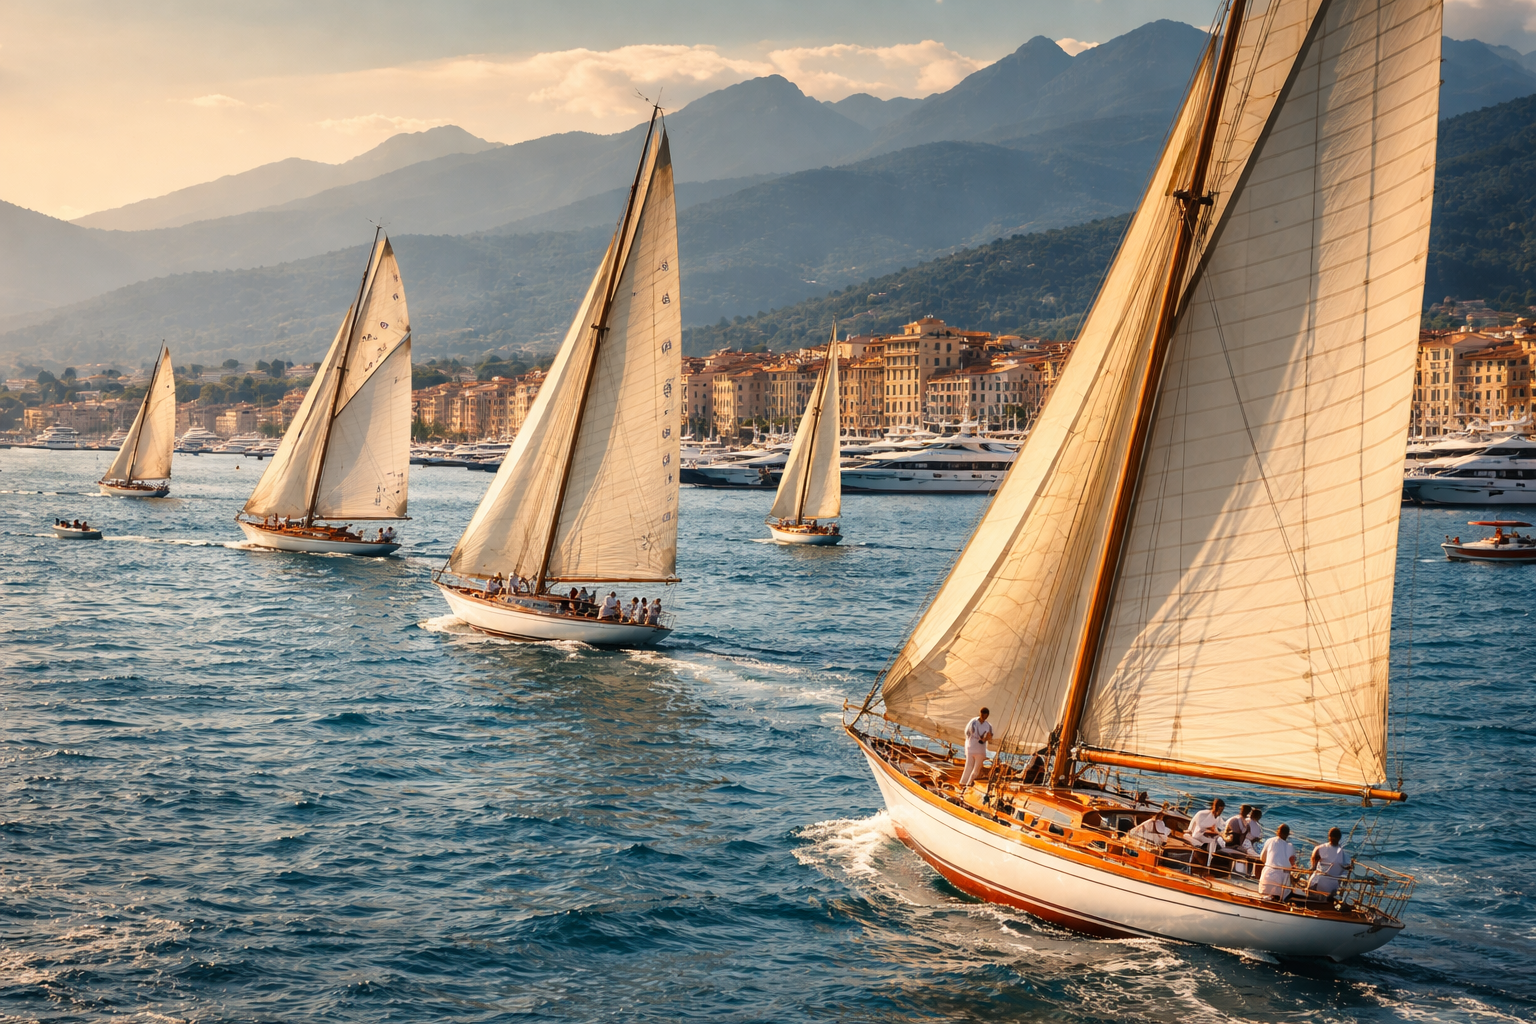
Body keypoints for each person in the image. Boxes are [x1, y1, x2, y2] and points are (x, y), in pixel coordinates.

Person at [1307, 827, 1353, 901]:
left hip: (1318, 883)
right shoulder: (1345, 855)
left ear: (1329, 837)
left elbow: (1313, 867)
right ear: (1339, 838)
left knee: (1312, 879)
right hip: (1333, 888)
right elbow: (1346, 873)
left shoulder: (1319, 848)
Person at [1259, 824, 1297, 900]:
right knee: (1288, 892)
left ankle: (1270, 896)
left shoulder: (1269, 841)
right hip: (1281, 882)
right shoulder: (1290, 846)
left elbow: (1262, 858)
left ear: (1277, 832)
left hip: (1266, 879)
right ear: (1287, 835)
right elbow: (1292, 864)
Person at [959, 707, 993, 789]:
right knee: (969, 766)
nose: (984, 717)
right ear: (980, 713)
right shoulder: (973, 722)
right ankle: (964, 783)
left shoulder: (988, 725)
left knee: (976, 768)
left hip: (980, 749)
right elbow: (968, 733)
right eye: (983, 715)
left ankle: (967, 783)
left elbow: (990, 736)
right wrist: (981, 737)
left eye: (986, 716)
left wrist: (986, 738)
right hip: (971, 747)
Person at [1186, 797, 1226, 866]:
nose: (1221, 812)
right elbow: (1201, 828)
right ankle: (1209, 862)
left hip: (1206, 835)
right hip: (1197, 835)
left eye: (1222, 810)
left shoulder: (1218, 818)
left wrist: (1219, 832)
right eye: (1220, 810)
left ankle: (1212, 858)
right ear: (1217, 808)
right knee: (1212, 841)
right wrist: (1211, 829)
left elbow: (1222, 826)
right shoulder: (1203, 814)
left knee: (1217, 839)